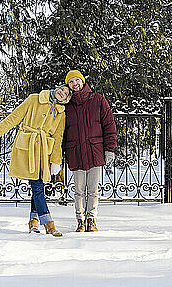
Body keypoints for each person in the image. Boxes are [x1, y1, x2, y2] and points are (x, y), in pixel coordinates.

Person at [0, 84, 72, 237]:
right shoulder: (34, 99)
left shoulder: (61, 113)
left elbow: (58, 138)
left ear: (66, 99)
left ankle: (33, 223)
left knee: (37, 186)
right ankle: (49, 224)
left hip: (44, 152)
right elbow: (15, 116)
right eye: (61, 89)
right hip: (29, 148)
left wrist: (56, 160)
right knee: (37, 187)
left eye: (66, 93)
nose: (62, 92)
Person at [63, 70, 117, 232]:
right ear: (69, 85)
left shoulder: (98, 100)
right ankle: (80, 220)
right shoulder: (67, 105)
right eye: (71, 82)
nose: (75, 84)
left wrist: (109, 149)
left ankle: (91, 219)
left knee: (93, 189)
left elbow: (109, 125)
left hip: (95, 151)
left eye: (77, 80)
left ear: (83, 81)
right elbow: (62, 131)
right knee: (79, 189)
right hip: (75, 151)